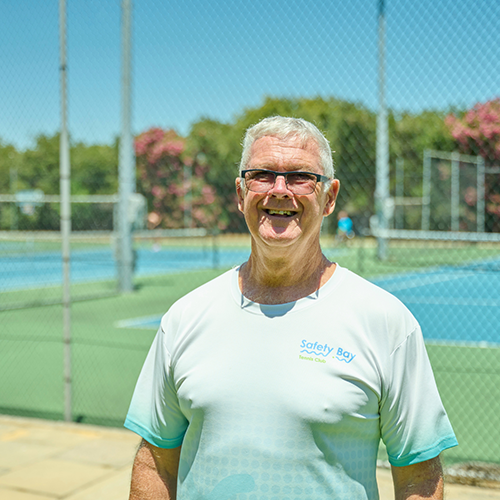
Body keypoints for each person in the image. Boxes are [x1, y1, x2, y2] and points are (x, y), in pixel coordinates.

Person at [125, 116, 458, 500]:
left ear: (329, 197)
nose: (279, 190)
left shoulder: (386, 321)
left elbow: (419, 477)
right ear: (240, 192)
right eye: (262, 175)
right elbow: (155, 461)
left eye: (300, 177)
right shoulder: (184, 317)